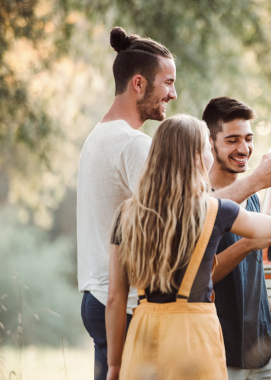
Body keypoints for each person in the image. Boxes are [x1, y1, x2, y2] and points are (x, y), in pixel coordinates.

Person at [105, 114, 271, 379]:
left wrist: (114, 365)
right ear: (195, 156)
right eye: (207, 148)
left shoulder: (126, 214)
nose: (210, 156)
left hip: (142, 336)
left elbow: (115, 299)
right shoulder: (212, 209)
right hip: (193, 335)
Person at [77, 26, 176, 380]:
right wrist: (254, 183)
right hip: (123, 303)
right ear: (139, 83)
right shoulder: (133, 144)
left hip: (96, 297)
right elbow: (175, 216)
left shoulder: (97, 137)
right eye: (167, 83)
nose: (173, 94)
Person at [202, 97, 271, 379]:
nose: (244, 149)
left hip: (258, 349)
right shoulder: (199, 199)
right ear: (209, 141)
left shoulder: (251, 198)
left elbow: (254, 274)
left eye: (248, 138)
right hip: (220, 350)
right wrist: (249, 243)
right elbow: (200, 277)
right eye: (232, 140)